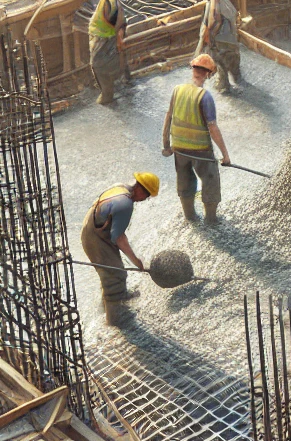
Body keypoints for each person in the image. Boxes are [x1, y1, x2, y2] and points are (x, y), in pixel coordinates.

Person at [80, 173, 159, 326]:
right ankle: (115, 320)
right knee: (115, 275)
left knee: (112, 271)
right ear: (141, 190)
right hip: (95, 238)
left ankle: (112, 300)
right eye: (147, 195)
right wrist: (137, 262)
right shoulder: (125, 205)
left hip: (93, 227)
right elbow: (118, 237)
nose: (145, 199)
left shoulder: (120, 187)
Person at [160, 54, 231, 224]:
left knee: (184, 180)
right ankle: (211, 220)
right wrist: (225, 156)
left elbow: (168, 117)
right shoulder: (204, 97)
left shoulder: (177, 90)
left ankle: (190, 217)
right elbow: (213, 128)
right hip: (201, 151)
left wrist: (166, 145)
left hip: (179, 149)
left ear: (193, 70)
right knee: (210, 181)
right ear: (209, 74)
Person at [88, 0, 126, 106]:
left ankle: (107, 94)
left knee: (98, 65)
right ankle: (108, 92)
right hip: (102, 36)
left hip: (105, 38)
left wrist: (118, 37)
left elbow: (116, 20)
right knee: (99, 65)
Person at [198, 0, 242, 91]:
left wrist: (208, 40)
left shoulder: (211, 4)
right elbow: (235, 19)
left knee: (221, 66)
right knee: (234, 66)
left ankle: (223, 87)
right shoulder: (227, 3)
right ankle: (238, 83)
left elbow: (211, 24)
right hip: (231, 41)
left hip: (219, 42)